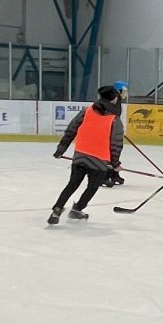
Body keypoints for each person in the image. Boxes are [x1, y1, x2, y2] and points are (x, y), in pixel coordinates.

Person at [48, 85, 124, 224]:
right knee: (92, 187)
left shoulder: (86, 111)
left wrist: (61, 150)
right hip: (99, 161)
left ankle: (56, 210)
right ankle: (77, 209)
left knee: (72, 185)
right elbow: (116, 145)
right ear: (114, 99)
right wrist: (115, 164)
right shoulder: (115, 120)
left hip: (80, 156)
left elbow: (71, 130)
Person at [102, 80, 131, 187]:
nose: (127, 93)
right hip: (107, 132)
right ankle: (103, 177)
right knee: (109, 153)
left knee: (115, 152)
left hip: (113, 130)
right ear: (119, 90)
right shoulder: (111, 101)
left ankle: (114, 174)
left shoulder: (117, 100)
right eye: (125, 91)